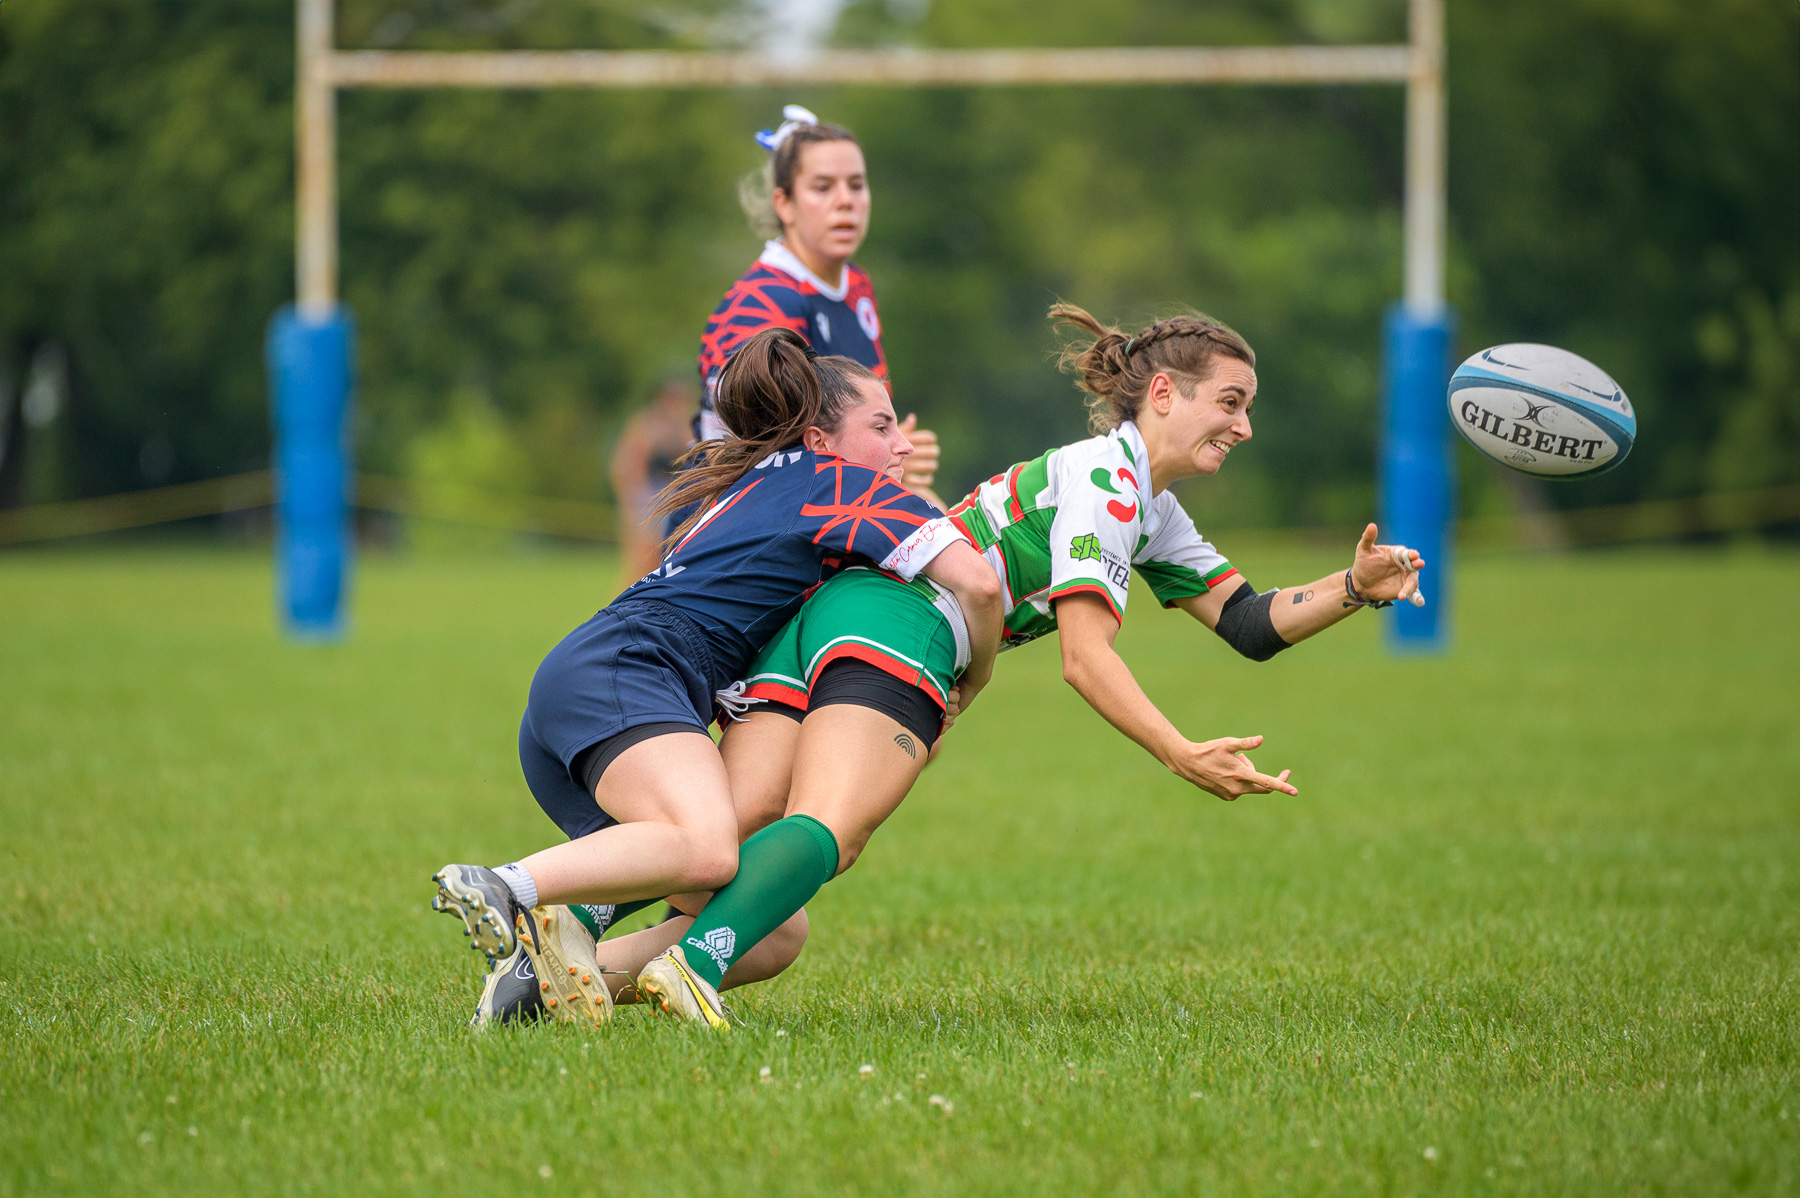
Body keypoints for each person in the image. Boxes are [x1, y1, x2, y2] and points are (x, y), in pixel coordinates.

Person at [514, 302, 1428, 1027]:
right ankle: (690, 968)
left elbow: (1249, 621)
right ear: (1161, 396)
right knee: (833, 828)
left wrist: (1354, 585)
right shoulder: (1109, 486)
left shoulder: (1148, 509)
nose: (1245, 427)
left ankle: (567, 952)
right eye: (1230, 402)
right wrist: (1178, 750)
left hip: (826, 615)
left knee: (740, 821)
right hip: (910, 619)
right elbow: (1084, 658)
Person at [429, 327, 1003, 1028]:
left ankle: (540, 985)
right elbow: (976, 582)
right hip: (630, 670)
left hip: (586, 685)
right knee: (706, 846)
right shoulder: (839, 484)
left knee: (773, 933)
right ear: (824, 442)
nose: (903, 446)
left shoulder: (759, 483)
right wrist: (970, 680)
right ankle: (508, 886)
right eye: (882, 426)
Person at [692, 104, 940, 503]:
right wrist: (881, 456)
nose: (845, 201)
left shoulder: (856, 284)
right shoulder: (765, 302)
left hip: (831, 504)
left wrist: (891, 449)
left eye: (856, 185)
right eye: (823, 187)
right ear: (783, 204)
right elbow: (767, 462)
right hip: (742, 529)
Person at [610, 375, 698, 588]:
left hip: (674, 497)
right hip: (647, 499)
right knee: (641, 561)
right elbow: (625, 466)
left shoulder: (687, 426)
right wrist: (634, 504)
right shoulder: (646, 426)